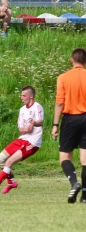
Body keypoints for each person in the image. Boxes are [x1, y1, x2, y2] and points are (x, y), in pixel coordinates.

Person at [0, 86, 44, 195]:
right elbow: (20, 129)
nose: (21, 98)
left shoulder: (37, 107)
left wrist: (34, 123)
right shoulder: (22, 110)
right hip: (23, 139)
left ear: (31, 96)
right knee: (1, 158)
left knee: (9, 162)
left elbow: (40, 121)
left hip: (33, 142)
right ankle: (11, 182)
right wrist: (25, 129)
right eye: (21, 95)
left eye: (24, 96)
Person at [51, 48, 86, 204]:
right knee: (85, 160)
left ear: (71, 60)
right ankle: (85, 196)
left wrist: (55, 125)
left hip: (70, 119)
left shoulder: (63, 78)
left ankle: (74, 183)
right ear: (84, 61)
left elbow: (59, 102)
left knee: (65, 157)